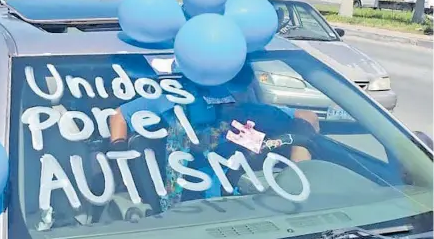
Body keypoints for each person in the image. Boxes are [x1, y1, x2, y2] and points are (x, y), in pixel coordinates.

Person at [108, 77, 320, 213]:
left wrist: (299, 170)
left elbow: (307, 117)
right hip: (188, 207)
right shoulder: (172, 100)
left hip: (247, 205)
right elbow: (120, 115)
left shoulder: (252, 111)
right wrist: (121, 161)